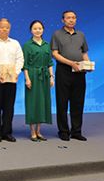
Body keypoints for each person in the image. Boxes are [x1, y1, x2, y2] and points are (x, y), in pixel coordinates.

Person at [51, 10, 90, 141]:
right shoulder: (57, 34)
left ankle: (76, 131)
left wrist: (88, 64)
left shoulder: (81, 35)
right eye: (68, 18)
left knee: (78, 102)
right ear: (63, 20)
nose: (71, 20)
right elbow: (55, 54)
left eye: (73, 17)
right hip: (63, 71)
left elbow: (84, 53)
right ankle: (63, 131)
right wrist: (71, 63)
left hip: (79, 72)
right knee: (62, 102)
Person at [22, 20, 54, 141]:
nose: (37, 30)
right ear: (31, 30)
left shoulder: (47, 45)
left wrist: (51, 76)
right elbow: (24, 65)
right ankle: (32, 131)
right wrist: (27, 79)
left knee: (42, 102)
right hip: (33, 76)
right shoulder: (27, 45)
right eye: (35, 28)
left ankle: (39, 131)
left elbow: (50, 63)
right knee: (33, 103)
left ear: (43, 30)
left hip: (44, 76)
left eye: (40, 28)